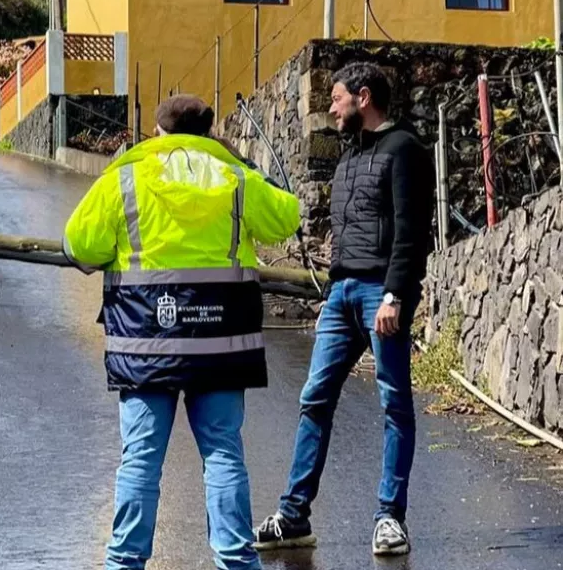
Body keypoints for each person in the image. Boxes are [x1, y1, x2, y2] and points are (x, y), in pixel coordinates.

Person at [63, 95, 302, 570]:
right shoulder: (235, 178)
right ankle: (236, 561)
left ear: (157, 132)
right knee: (223, 455)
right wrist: (252, 167)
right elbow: (286, 218)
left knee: (141, 460)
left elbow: (80, 245)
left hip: (144, 345)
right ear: (208, 134)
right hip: (221, 346)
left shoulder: (126, 178)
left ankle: (124, 563)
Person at [253, 62, 434, 556]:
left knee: (394, 404)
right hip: (341, 293)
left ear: (364, 97)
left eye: (336, 99)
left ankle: (389, 518)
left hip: (382, 293)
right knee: (314, 399)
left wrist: (396, 294)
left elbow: (412, 231)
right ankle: (293, 516)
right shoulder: (349, 157)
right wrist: (333, 290)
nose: (330, 108)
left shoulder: (405, 151)